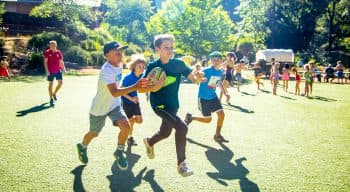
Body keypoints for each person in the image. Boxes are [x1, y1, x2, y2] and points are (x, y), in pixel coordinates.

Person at [76, 41, 148, 171]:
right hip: (100, 108)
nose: (120, 53)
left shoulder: (119, 65)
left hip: (114, 105)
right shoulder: (106, 71)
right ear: (107, 55)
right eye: (116, 51)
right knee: (94, 133)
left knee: (126, 126)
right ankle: (82, 146)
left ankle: (119, 152)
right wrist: (135, 87)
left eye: (121, 50)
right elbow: (114, 92)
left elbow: (117, 89)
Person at [142, 34, 200, 177]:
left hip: (173, 105)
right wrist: (155, 86)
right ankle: (182, 164)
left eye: (171, 47)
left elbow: (193, 77)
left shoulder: (178, 64)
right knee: (182, 127)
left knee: (165, 132)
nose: (170, 50)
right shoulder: (153, 66)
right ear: (158, 49)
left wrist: (198, 77)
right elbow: (143, 88)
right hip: (159, 106)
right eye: (166, 47)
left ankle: (149, 141)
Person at [184, 51, 228, 143]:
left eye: (218, 60)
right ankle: (191, 118)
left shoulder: (220, 72)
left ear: (221, 61)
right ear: (211, 61)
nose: (216, 61)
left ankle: (217, 135)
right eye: (214, 59)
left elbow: (219, 83)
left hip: (213, 97)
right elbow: (197, 75)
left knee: (222, 115)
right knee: (208, 120)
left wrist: (225, 93)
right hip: (204, 98)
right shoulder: (206, 70)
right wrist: (198, 76)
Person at [121, 56, 147, 146]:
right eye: (140, 66)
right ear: (134, 66)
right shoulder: (128, 78)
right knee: (130, 121)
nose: (142, 69)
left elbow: (143, 87)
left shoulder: (141, 76)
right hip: (126, 102)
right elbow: (121, 91)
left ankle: (129, 121)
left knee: (139, 121)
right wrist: (131, 98)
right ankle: (130, 138)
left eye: (143, 67)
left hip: (135, 102)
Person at [43, 40, 65, 106]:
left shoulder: (59, 52)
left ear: (56, 45)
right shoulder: (47, 52)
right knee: (51, 84)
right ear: (49, 46)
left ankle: (54, 93)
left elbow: (61, 61)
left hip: (58, 70)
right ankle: (51, 98)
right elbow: (45, 62)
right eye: (52, 45)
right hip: (50, 71)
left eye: (54, 45)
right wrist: (47, 71)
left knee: (60, 83)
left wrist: (64, 68)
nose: (53, 46)